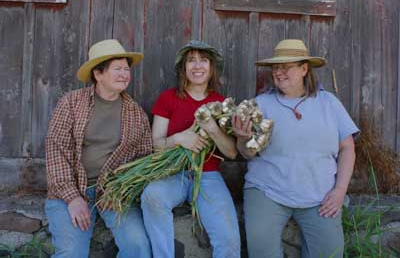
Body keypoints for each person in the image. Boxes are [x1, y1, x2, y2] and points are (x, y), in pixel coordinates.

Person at [232, 39, 359, 258]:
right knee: (262, 253)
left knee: (330, 255)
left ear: (304, 68)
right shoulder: (260, 105)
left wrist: (339, 191)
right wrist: (243, 139)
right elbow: (246, 153)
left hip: (320, 196)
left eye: (286, 67)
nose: (279, 72)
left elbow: (348, 148)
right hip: (267, 191)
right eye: (276, 67)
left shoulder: (329, 103)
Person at [45, 39, 152, 258]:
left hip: (113, 194)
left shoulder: (135, 112)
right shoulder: (72, 103)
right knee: (72, 253)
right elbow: (56, 151)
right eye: (117, 69)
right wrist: (73, 198)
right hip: (72, 191)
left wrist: (122, 190)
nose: (124, 74)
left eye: (126, 69)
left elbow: (144, 158)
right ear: (98, 74)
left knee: (138, 246)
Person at [140, 40, 241, 258]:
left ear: (211, 67)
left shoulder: (221, 104)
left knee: (229, 240)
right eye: (191, 61)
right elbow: (155, 144)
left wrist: (213, 129)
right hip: (173, 173)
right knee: (152, 196)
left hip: (208, 176)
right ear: (183, 68)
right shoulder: (168, 98)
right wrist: (178, 139)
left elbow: (232, 153)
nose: (197, 66)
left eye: (203, 60)